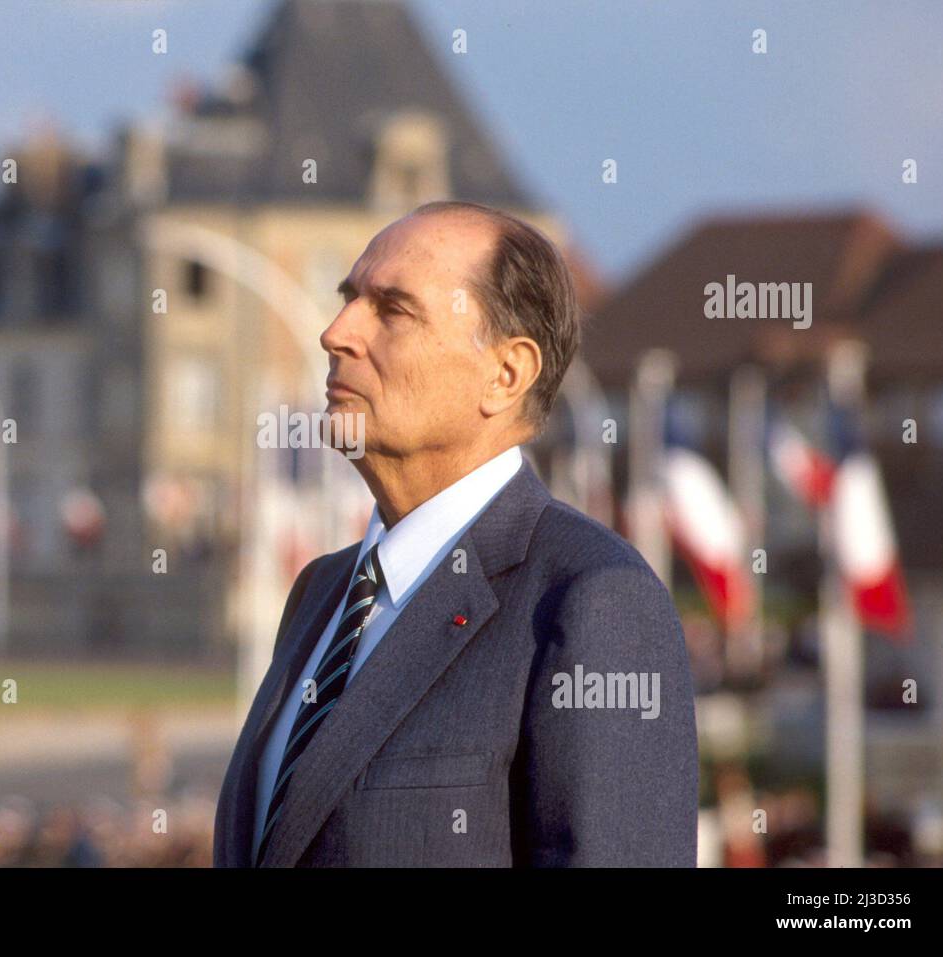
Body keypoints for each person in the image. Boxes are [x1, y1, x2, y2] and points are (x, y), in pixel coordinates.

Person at [213, 200, 698, 867]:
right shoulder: (322, 593)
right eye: (348, 298)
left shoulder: (590, 599)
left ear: (506, 373)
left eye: (392, 309)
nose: (335, 332)